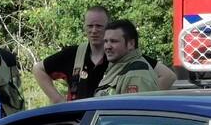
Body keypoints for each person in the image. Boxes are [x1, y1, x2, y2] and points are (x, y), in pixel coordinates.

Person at [34, 6, 175, 102]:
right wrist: (59, 102)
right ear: (84, 27)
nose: (94, 30)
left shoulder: (125, 57)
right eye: (90, 26)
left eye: (99, 26)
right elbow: (38, 69)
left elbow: (168, 76)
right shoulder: (73, 54)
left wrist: (142, 99)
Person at [94, 20, 159, 96]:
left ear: (131, 44)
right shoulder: (121, 68)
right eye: (105, 41)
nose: (107, 46)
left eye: (113, 41)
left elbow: (135, 107)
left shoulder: (136, 75)